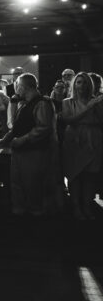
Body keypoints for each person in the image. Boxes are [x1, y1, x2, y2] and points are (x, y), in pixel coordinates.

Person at [0, 74, 56, 217]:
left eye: (17, 86)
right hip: (20, 151)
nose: (16, 90)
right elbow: (16, 127)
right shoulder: (24, 103)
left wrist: (21, 140)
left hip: (34, 152)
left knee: (32, 185)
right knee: (18, 184)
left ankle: (35, 216)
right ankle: (21, 213)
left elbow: (43, 128)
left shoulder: (41, 103)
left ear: (23, 86)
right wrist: (5, 139)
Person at [61, 73, 103, 220]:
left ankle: (87, 206)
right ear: (74, 85)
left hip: (93, 138)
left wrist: (96, 106)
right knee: (75, 174)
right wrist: (88, 108)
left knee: (90, 175)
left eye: (85, 83)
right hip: (75, 139)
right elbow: (69, 120)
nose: (82, 86)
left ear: (90, 85)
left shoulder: (96, 101)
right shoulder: (67, 102)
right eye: (79, 82)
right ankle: (76, 207)